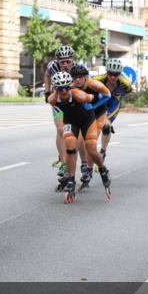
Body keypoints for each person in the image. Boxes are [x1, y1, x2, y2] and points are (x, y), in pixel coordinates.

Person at [47, 71, 111, 203]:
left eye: (66, 88)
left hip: (87, 120)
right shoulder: (52, 100)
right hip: (71, 122)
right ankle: (71, 179)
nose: (64, 91)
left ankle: (103, 170)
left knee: (91, 149)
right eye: (60, 89)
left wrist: (93, 107)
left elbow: (99, 97)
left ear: (70, 87)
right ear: (55, 89)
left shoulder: (79, 95)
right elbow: (59, 117)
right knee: (70, 146)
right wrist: (61, 127)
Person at [69, 63, 110, 190]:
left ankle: (91, 169)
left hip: (98, 113)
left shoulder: (94, 84)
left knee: (90, 143)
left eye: (80, 77)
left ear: (86, 77)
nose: (77, 80)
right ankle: (86, 167)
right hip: (86, 114)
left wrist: (93, 106)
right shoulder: (71, 87)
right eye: (75, 77)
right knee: (80, 140)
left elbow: (108, 95)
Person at [94, 58, 133, 163]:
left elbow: (128, 92)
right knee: (94, 128)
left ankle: (103, 151)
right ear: (106, 72)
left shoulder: (125, 83)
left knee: (106, 126)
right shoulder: (97, 79)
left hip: (113, 103)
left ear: (120, 74)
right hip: (100, 102)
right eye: (110, 74)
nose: (112, 77)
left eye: (116, 75)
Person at [46, 46, 76, 176]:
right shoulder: (52, 66)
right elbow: (47, 75)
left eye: (68, 61)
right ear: (57, 61)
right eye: (62, 62)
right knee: (60, 130)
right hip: (58, 101)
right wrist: (47, 91)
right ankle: (64, 163)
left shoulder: (77, 69)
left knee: (74, 133)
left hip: (73, 102)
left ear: (73, 60)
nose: (65, 65)